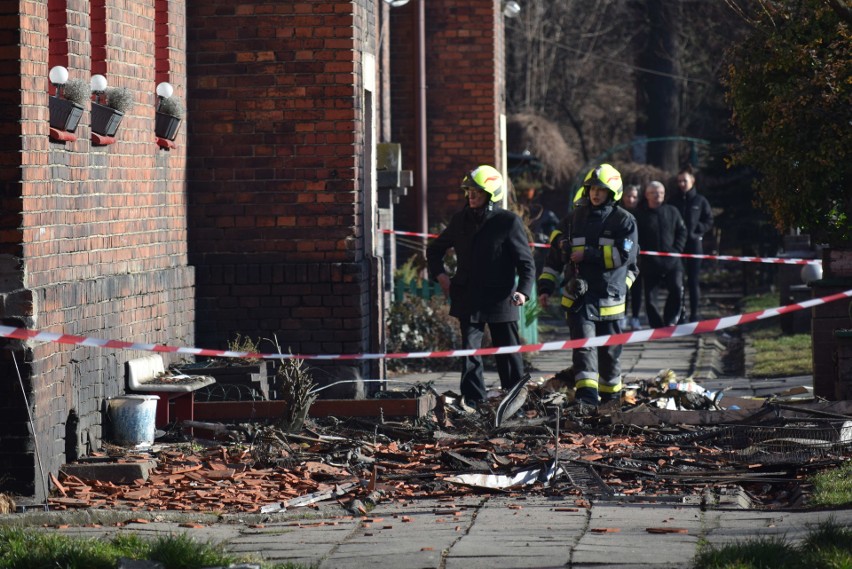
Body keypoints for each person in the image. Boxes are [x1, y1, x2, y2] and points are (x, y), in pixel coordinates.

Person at [427, 165, 536, 408]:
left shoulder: (508, 222)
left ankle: (514, 402)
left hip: (502, 299)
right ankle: (474, 402)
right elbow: (434, 251)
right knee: (470, 354)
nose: (471, 196)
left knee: (508, 354)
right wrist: (441, 276)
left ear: (491, 194)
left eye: (477, 191)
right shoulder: (460, 220)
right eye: (469, 191)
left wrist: (523, 292)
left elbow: (526, 264)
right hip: (469, 297)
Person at [537, 164, 638, 411]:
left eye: (601, 190)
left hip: (610, 297)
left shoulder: (624, 221)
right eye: (592, 188)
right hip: (578, 297)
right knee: (583, 348)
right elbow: (554, 258)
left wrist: (588, 254)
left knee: (610, 353)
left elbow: (623, 257)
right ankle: (586, 399)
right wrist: (545, 287)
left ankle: (611, 399)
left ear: (612, 192)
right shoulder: (572, 220)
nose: (595, 193)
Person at [635, 181, 687, 328]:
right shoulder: (640, 215)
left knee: (676, 288)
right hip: (650, 262)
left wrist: (677, 249)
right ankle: (656, 325)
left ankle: (670, 319)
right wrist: (644, 253)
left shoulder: (672, 211)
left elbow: (682, 231)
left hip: (672, 261)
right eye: (654, 192)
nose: (657, 195)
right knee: (650, 298)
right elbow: (636, 236)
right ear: (646, 195)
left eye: (661, 193)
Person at [668, 165, 714, 322]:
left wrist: (697, 231)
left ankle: (694, 313)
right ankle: (680, 313)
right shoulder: (673, 200)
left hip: (694, 245)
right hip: (677, 246)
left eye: (684, 181)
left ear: (692, 181)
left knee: (693, 281)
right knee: (678, 282)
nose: (682, 184)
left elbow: (708, 220)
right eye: (679, 181)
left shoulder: (700, 201)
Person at [621, 184, 643, 330]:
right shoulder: (619, 214)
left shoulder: (642, 214)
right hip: (621, 257)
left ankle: (635, 317)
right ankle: (622, 316)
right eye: (628, 196)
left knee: (637, 289)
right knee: (623, 288)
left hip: (638, 258)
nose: (631, 199)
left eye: (634, 197)